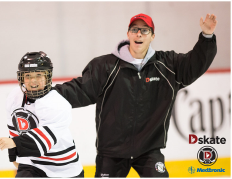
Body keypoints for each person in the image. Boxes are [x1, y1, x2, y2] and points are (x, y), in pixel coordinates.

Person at [54, 13, 217, 177]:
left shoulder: (168, 65)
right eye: (134, 29)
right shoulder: (105, 66)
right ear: (128, 34)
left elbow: (195, 64)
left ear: (153, 36)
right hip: (111, 152)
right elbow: (79, 89)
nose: (139, 33)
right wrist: (46, 95)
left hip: (149, 151)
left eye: (145, 30)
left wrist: (207, 36)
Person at [0, 51, 84, 178]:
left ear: (48, 77)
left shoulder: (57, 104)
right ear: (21, 78)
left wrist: (14, 143)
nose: (33, 81)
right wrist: (14, 156)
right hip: (33, 165)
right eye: (28, 75)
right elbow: (14, 128)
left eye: (39, 75)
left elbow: (42, 141)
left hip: (64, 169)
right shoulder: (14, 97)